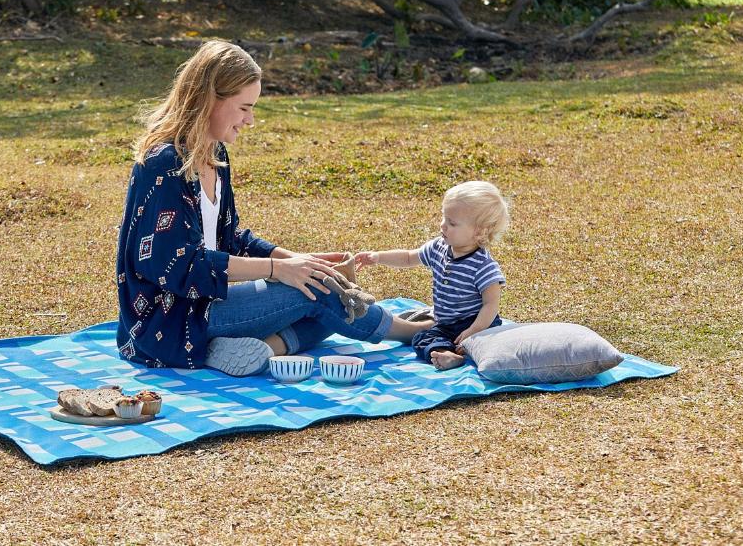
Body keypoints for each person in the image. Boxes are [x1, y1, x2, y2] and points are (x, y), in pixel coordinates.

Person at [115, 40, 432, 376]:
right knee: (316, 293)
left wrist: (296, 260)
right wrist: (276, 270)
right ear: (209, 99)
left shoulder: (215, 154)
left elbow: (232, 237)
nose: (250, 120)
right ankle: (409, 330)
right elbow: (178, 266)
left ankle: (262, 348)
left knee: (315, 289)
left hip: (205, 306)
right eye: (243, 108)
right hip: (170, 319)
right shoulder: (164, 165)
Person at [355, 181, 510, 370]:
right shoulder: (439, 247)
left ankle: (468, 348)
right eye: (444, 217)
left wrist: (473, 331)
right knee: (421, 337)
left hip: (478, 323)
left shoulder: (483, 266)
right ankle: (447, 355)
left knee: (484, 342)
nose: (443, 226)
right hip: (445, 324)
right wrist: (377, 257)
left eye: (452, 223)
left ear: (480, 232)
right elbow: (408, 257)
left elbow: (491, 305)